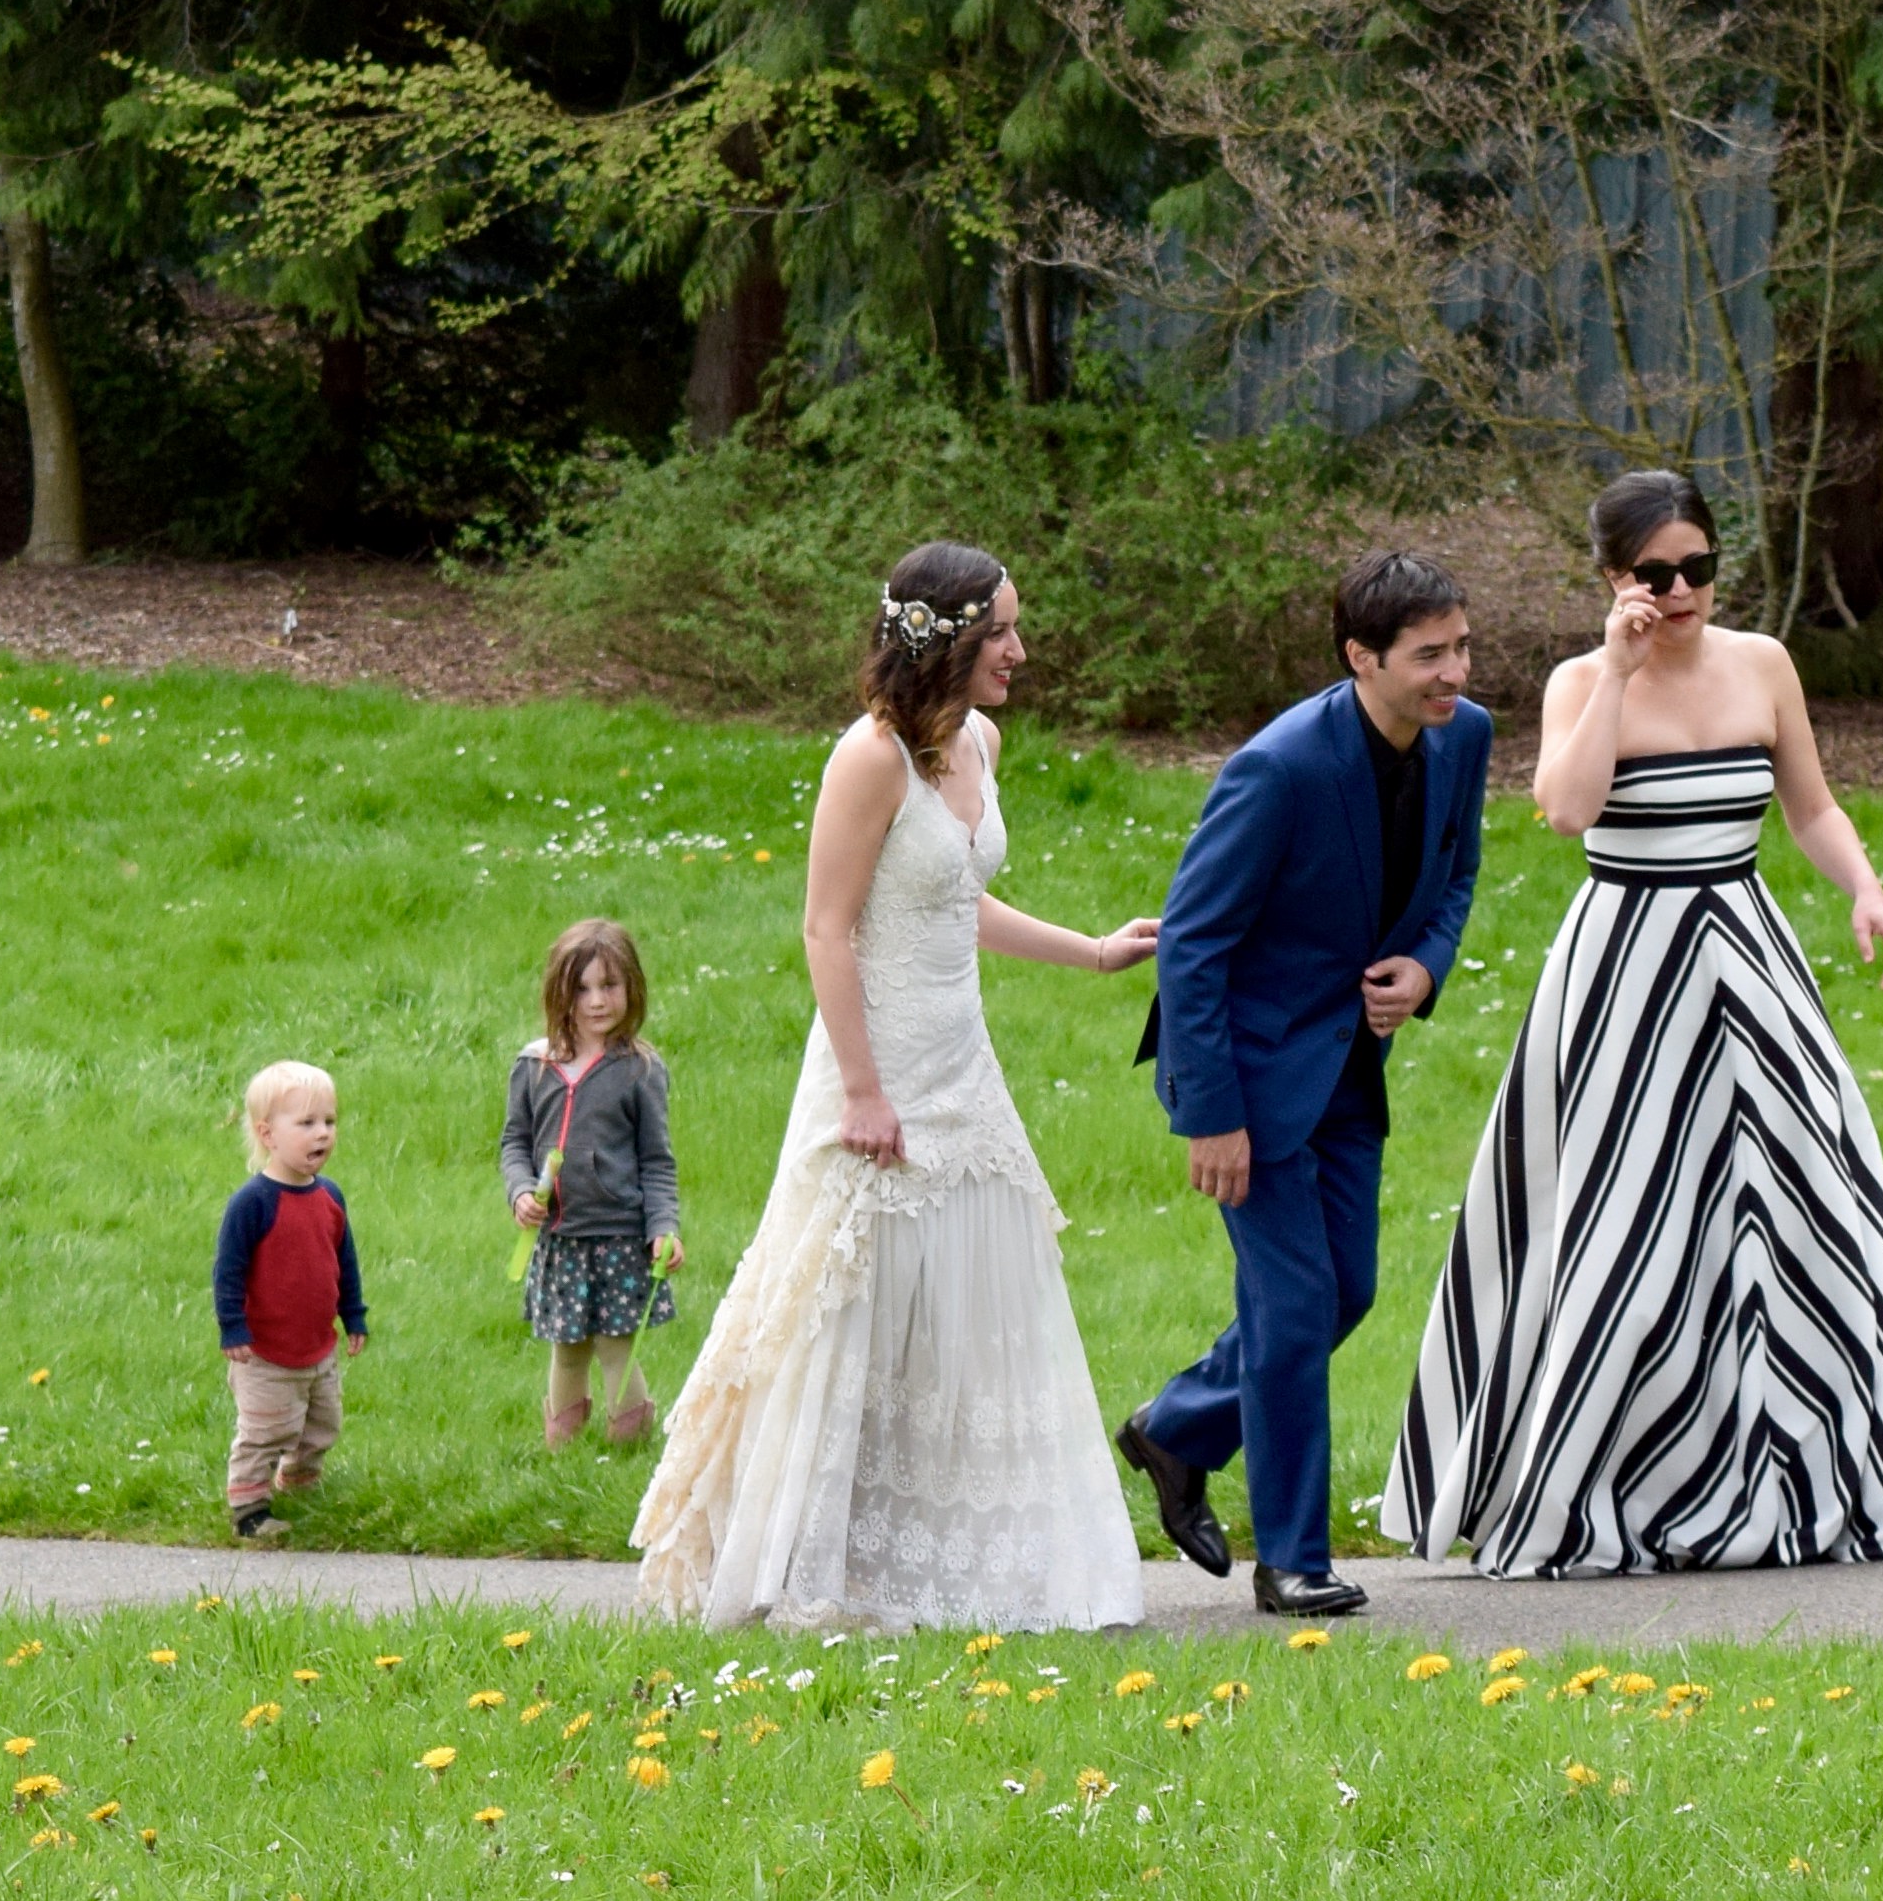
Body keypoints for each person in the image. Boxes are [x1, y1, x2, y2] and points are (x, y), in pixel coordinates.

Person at [1380, 467, 1883, 1578]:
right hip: (1625, 972)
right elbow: (1567, 809)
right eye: (1656, 574)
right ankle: (1602, 1474)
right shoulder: (1578, 680)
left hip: (1748, 956)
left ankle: (1804, 1464)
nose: (1682, 589)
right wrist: (1616, 669)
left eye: (1699, 567)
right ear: (1614, 578)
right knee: (1623, 1219)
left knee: (1808, 1205)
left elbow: (1811, 805)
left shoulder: (1765, 663)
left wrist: (1865, 888)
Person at [632, 541, 1161, 1631]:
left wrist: (1094, 951)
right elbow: (827, 929)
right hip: (873, 1070)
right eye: (1000, 632)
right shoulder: (869, 758)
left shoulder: (980, 742)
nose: (1020, 650)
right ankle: (809, 1560)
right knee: (843, 1311)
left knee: (972, 1312)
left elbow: (955, 900)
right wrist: (863, 1093)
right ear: (945, 641)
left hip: (963, 1065)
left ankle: (955, 1560)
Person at [1117, 549, 1494, 1619]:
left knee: (1348, 1291)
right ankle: (1292, 1560)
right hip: (1249, 1073)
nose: (1454, 672)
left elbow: (1457, 873)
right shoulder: (1277, 768)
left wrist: (1426, 967)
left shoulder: (1466, 736)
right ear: (1361, 657)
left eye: (1462, 647)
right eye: (1430, 655)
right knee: (1291, 1308)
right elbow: (1193, 941)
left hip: (1350, 1071)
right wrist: (1212, 1115)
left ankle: (1176, 1429)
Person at [504, 917, 684, 1450]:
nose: (598, 1001)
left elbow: (656, 1160)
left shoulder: (640, 1070)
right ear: (560, 992)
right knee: (567, 1348)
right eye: (582, 989)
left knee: (614, 1346)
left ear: (632, 986)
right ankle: (562, 1450)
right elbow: (514, 1142)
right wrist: (520, 1191)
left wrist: (664, 1227)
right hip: (561, 1240)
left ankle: (628, 1449)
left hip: (620, 1239)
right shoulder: (534, 1066)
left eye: (610, 985)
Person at [213, 1059, 368, 1544]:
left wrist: (354, 1315)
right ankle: (249, 1508)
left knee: (322, 1424)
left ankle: (300, 1485)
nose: (322, 1133)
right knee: (266, 1430)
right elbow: (228, 1270)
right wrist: (232, 1327)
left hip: (317, 1345)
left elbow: (343, 1260)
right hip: (264, 1352)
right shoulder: (252, 1203)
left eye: (329, 1121)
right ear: (268, 1134)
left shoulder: (330, 1196)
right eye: (306, 1123)